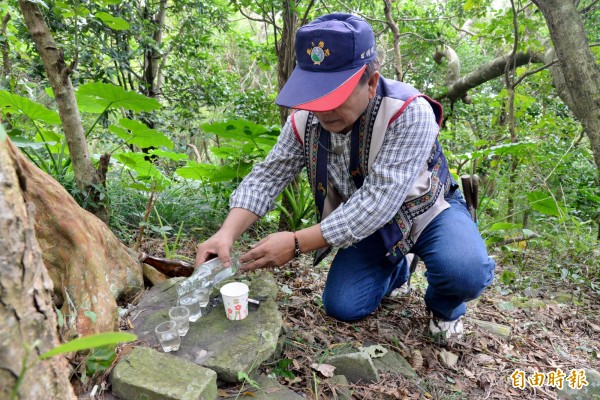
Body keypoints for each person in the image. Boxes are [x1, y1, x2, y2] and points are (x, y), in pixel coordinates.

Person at [195, 13, 495, 340]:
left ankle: (445, 306)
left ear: (370, 82)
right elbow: (268, 176)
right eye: (315, 94)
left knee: (463, 270)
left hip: (427, 209)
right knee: (343, 305)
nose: (323, 110)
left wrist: (296, 243)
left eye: (334, 96)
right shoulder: (304, 122)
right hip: (371, 225)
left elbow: (378, 201)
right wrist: (226, 234)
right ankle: (399, 267)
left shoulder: (408, 112)